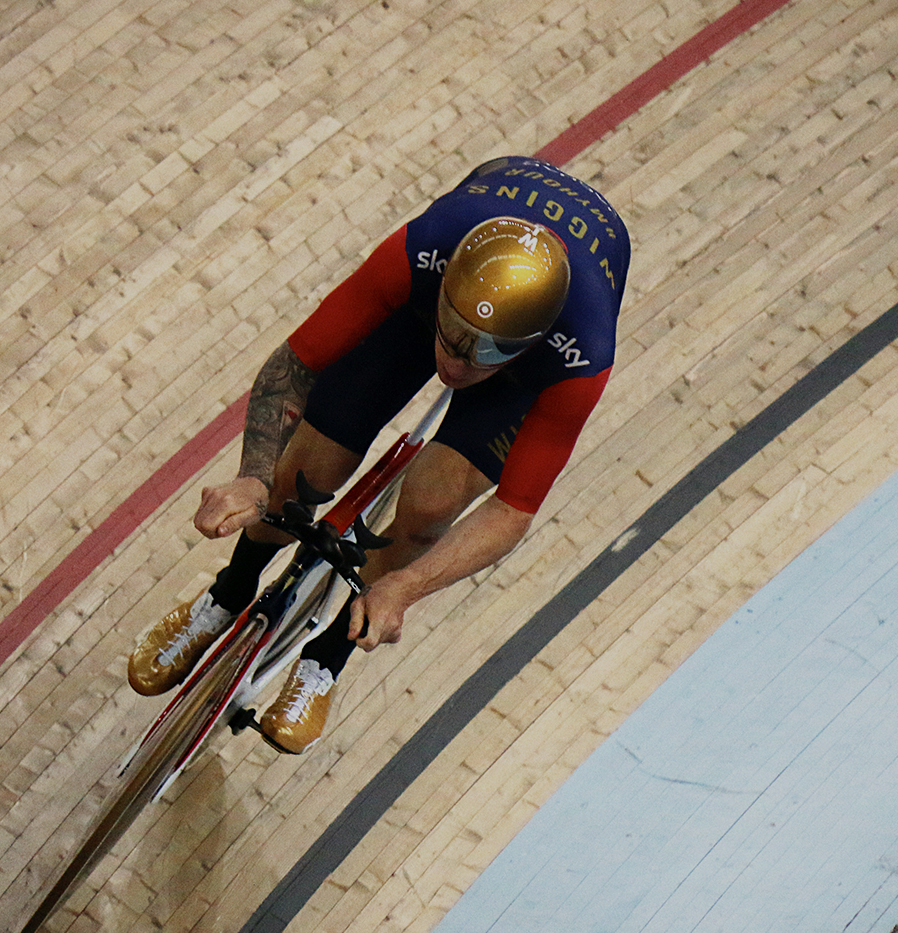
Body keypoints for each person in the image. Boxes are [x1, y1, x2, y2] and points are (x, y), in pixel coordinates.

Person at [127, 155, 630, 753]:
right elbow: (294, 368)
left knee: (432, 503)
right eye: (455, 333)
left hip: (521, 374)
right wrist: (254, 479)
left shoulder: (582, 356)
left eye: (483, 355)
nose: (456, 363)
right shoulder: (422, 249)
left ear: (532, 343)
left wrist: (407, 587)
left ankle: (327, 658)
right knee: (305, 472)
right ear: (445, 284)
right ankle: (228, 590)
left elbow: (513, 511)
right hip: (425, 306)